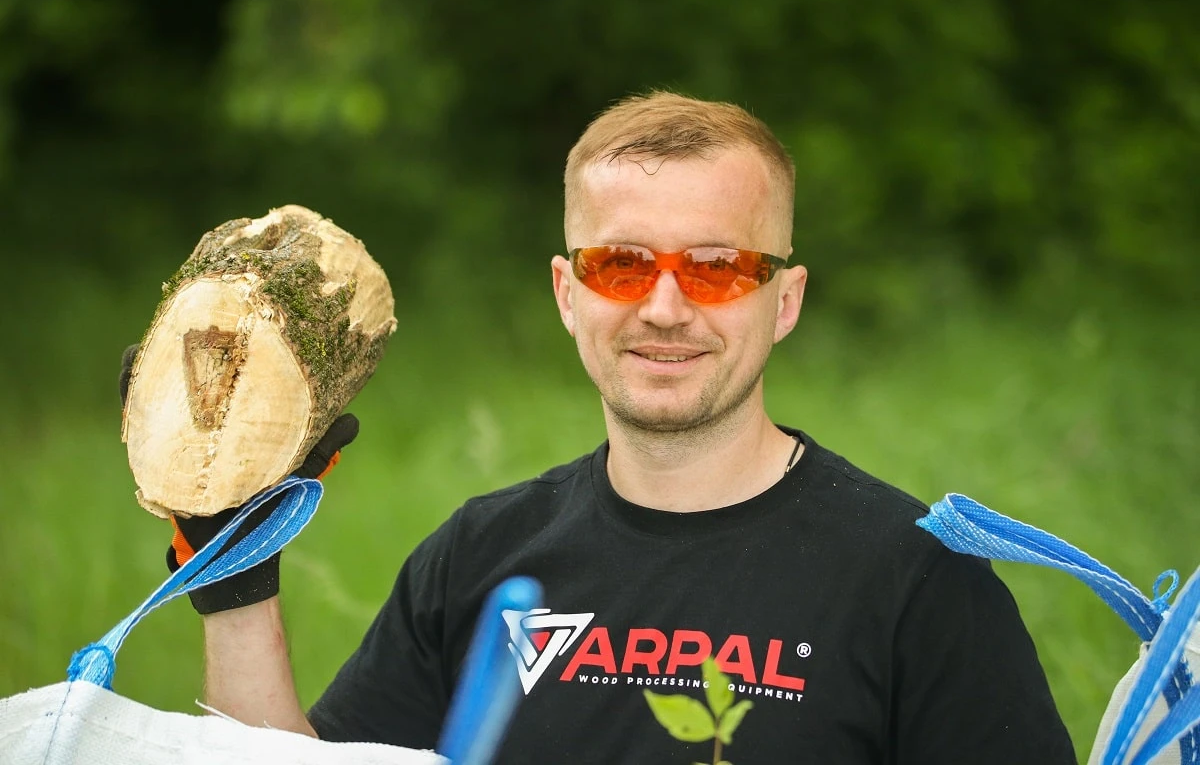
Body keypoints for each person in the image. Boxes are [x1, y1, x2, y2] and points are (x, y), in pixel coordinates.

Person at [153, 91, 1077, 763]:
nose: (665, 308)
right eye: (623, 265)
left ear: (785, 300)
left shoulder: (919, 580)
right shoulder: (479, 557)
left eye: (715, 267)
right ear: (569, 293)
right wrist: (234, 576)